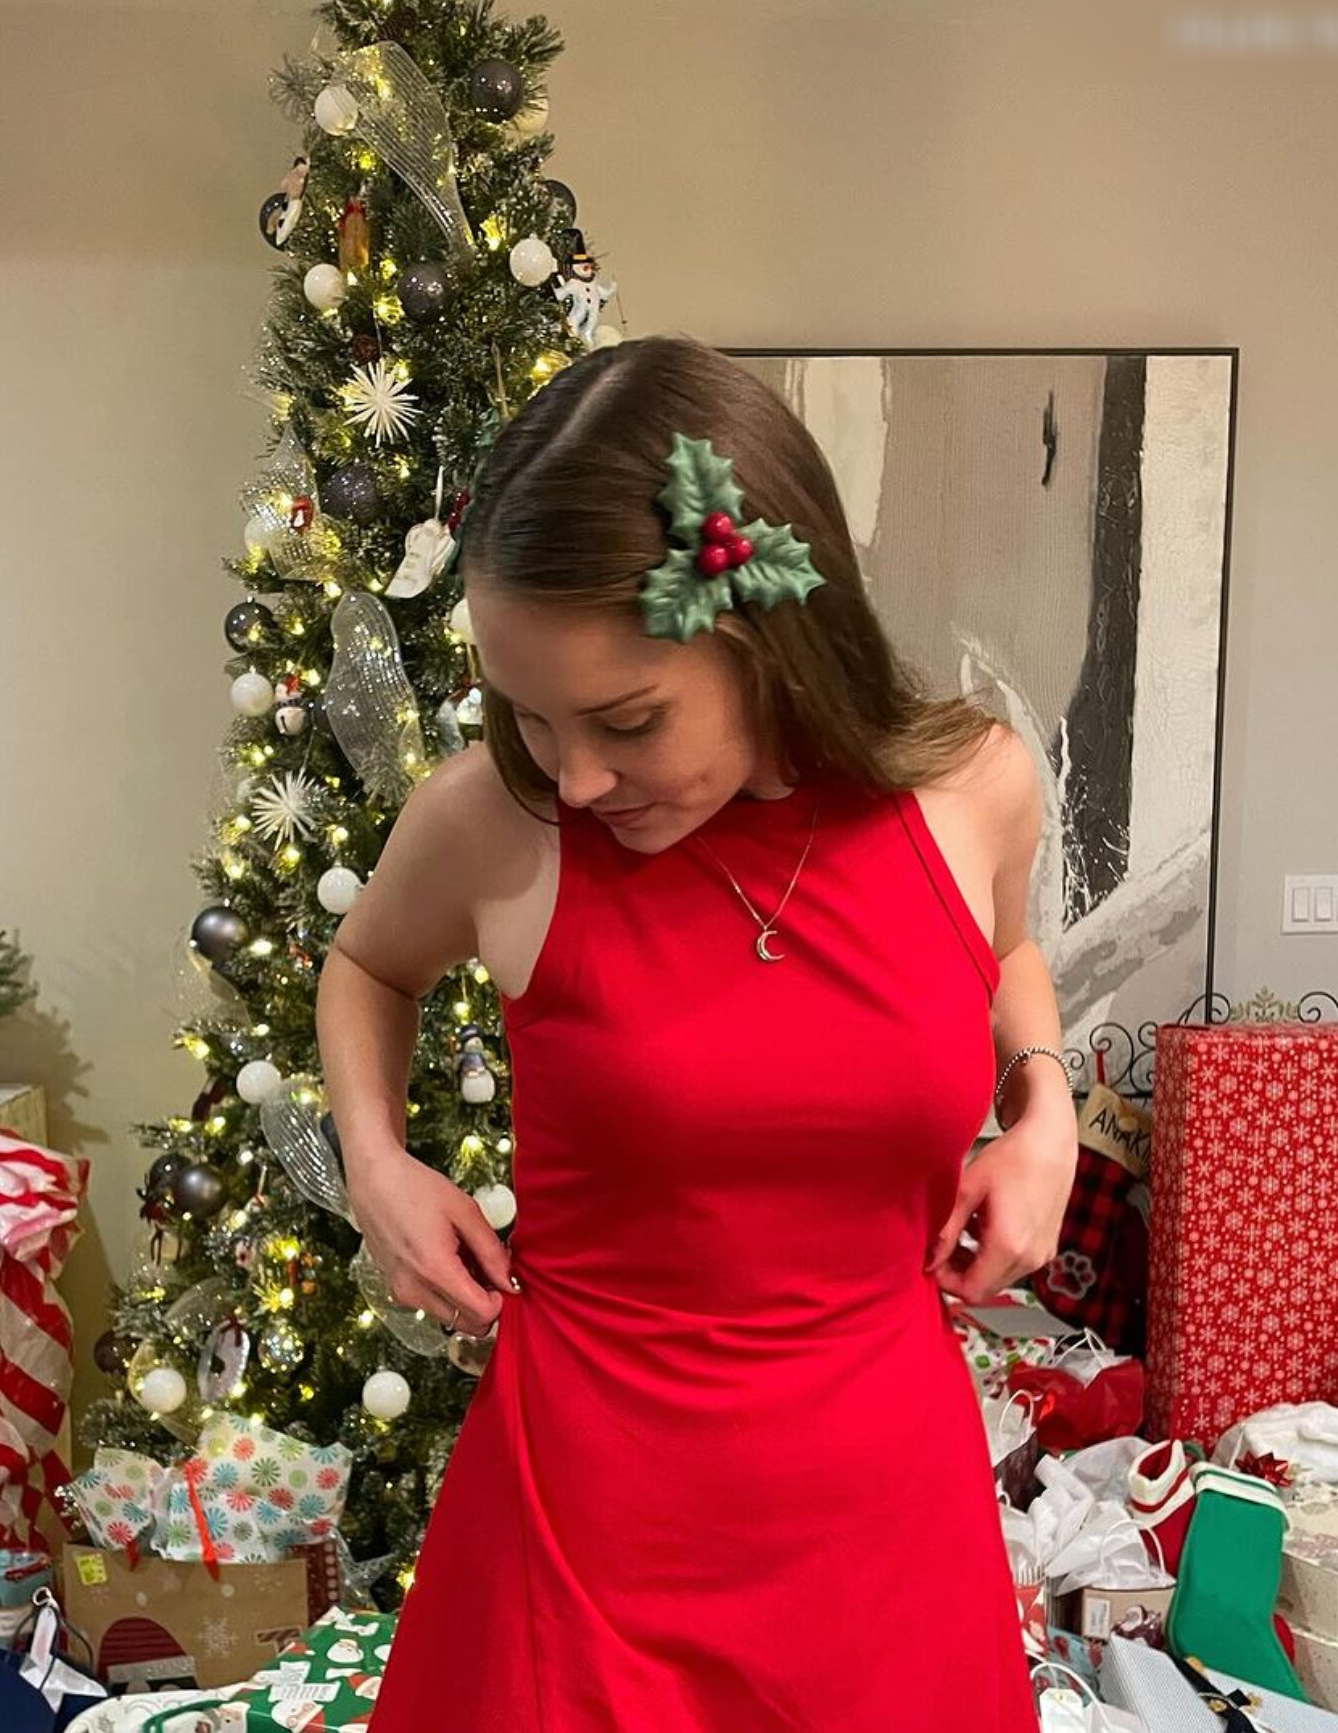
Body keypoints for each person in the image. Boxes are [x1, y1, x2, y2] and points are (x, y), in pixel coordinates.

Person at [315, 334, 1077, 1729]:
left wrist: (1045, 1105)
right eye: (532, 718)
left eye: (627, 720)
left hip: (883, 1525)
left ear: (767, 636)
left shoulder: (974, 789)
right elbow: (366, 963)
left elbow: (1004, 949)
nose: (575, 778)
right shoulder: (493, 822)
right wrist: (376, 1162)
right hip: (583, 1540)